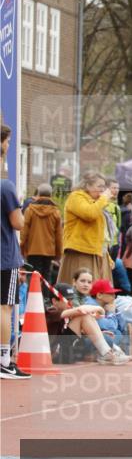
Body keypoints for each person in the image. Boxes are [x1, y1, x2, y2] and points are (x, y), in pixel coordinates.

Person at [1, 125, 30, 379]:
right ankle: (3, 360)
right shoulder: (6, 186)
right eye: (8, 142)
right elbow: (18, 223)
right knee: (4, 308)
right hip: (3, 256)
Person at [58, 171, 113, 284]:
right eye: (99, 186)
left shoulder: (95, 201)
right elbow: (89, 214)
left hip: (96, 251)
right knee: (82, 289)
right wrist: (103, 199)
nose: (103, 190)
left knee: (98, 292)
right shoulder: (76, 197)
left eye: (104, 186)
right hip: (81, 251)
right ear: (87, 186)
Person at [19, 182, 63, 283]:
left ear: (38, 194)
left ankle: (33, 297)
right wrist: (58, 254)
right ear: (51, 195)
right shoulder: (56, 212)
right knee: (47, 275)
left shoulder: (30, 210)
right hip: (49, 251)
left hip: (32, 250)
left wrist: (21, 249)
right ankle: (46, 298)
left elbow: (24, 232)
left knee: (33, 275)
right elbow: (59, 236)